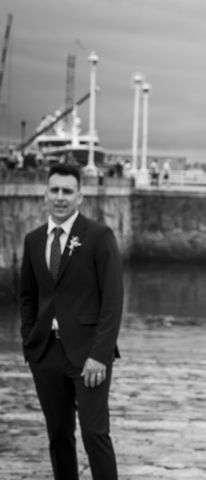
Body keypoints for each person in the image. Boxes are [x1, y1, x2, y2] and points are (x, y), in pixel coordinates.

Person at [20, 163, 124, 480]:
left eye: (67, 191)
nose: (60, 197)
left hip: (89, 354)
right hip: (46, 354)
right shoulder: (34, 240)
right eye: (55, 190)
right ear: (45, 195)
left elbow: (113, 300)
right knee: (58, 436)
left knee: (95, 435)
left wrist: (100, 355)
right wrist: (30, 343)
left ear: (80, 196)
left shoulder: (98, 236)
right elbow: (27, 296)